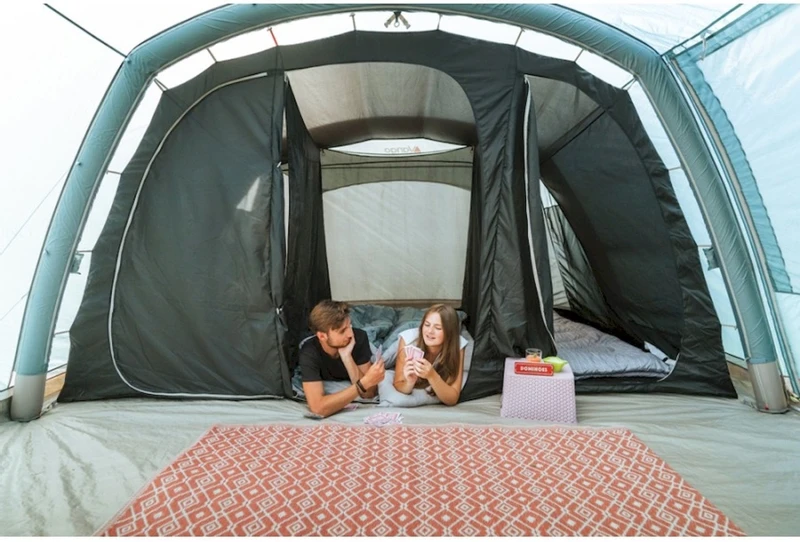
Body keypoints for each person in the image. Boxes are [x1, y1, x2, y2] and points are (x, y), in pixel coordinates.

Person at [299, 300, 385, 417]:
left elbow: (369, 393)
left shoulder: (358, 338)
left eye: (350, 326)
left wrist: (347, 357)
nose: (350, 334)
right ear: (322, 336)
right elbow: (318, 409)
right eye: (342, 331)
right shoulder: (309, 352)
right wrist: (362, 384)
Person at [392, 304, 466, 406]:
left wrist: (432, 376)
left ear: (449, 332)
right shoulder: (408, 340)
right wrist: (409, 382)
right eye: (427, 325)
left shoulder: (458, 345)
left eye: (438, 328)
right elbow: (398, 383)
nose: (430, 331)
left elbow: (452, 398)